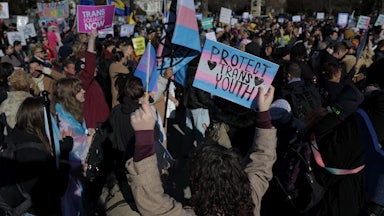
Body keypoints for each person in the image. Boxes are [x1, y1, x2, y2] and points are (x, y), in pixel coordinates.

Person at [126, 85, 277, 216]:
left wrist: (145, 138)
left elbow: (154, 204)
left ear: (200, 184)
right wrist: (263, 113)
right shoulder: (250, 199)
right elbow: (263, 161)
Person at [3, 96, 73, 215]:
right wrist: (64, 155)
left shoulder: (15, 137)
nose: (55, 118)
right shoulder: (35, 154)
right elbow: (56, 191)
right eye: (51, 116)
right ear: (41, 120)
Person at [52, 77, 95, 216]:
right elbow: (71, 151)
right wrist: (89, 140)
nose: (83, 91)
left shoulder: (71, 114)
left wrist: (88, 133)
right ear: (70, 96)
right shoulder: (63, 122)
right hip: (72, 180)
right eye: (78, 90)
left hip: (77, 175)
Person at [77, 29, 109, 129]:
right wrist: (91, 40)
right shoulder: (83, 84)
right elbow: (89, 67)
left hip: (102, 125)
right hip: (94, 127)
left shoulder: (93, 82)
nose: (94, 68)